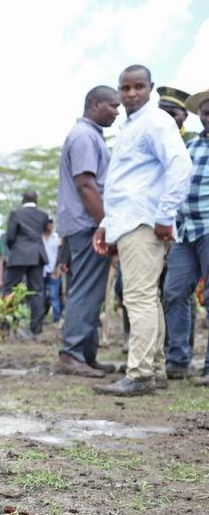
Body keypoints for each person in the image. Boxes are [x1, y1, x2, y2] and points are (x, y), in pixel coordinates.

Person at [93, 65, 192, 396]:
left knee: (138, 298)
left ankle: (139, 374)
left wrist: (165, 215)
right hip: (130, 220)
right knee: (148, 297)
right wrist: (106, 225)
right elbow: (127, 185)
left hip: (144, 222)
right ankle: (156, 369)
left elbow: (180, 166)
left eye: (138, 87)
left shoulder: (155, 121)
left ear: (150, 88)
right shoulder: (131, 127)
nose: (131, 93)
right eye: (125, 88)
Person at [56, 86, 121, 378]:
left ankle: (86, 355)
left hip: (83, 224)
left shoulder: (91, 135)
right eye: (112, 106)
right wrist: (106, 224)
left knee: (92, 291)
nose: (118, 111)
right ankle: (71, 354)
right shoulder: (84, 136)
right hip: (87, 224)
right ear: (94, 105)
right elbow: (85, 184)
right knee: (85, 289)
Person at [162, 88, 209, 379]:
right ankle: (178, 360)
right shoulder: (189, 147)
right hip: (185, 230)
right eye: (205, 112)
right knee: (174, 292)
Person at [2, 190, 50, 336]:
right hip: (37, 255)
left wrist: (14, 250)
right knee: (37, 291)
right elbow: (43, 232)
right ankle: (36, 329)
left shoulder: (16, 214)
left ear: (23, 200)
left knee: (9, 289)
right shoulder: (43, 215)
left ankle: (8, 326)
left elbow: (10, 237)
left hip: (19, 254)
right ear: (37, 200)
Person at [42, 218, 62, 324]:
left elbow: (60, 255)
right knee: (41, 296)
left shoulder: (57, 238)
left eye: (50, 223)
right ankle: (41, 317)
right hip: (41, 271)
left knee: (54, 296)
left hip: (53, 271)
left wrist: (58, 269)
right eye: (47, 223)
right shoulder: (39, 238)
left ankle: (56, 318)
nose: (48, 225)